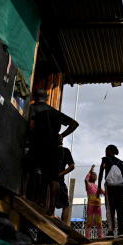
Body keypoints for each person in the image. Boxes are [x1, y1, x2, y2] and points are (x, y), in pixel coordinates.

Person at [25, 88, 79, 218]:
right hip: (55, 146)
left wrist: (32, 140)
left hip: (39, 144)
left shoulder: (34, 108)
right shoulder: (55, 112)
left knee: (27, 168)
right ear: (47, 98)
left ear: (33, 96)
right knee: (53, 179)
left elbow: (31, 127)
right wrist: (62, 135)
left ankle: (22, 194)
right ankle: (51, 212)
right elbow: (74, 123)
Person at [97, 145, 123, 238]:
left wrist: (99, 187)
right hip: (120, 187)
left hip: (110, 187)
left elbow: (101, 173)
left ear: (109, 151)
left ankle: (110, 232)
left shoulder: (105, 160)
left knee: (110, 208)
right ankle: (121, 232)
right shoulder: (120, 162)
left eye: (106, 150)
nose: (105, 152)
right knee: (121, 209)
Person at [84, 165, 105, 238]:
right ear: (89, 177)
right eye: (93, 174)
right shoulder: (88, 184)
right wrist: (91, 170)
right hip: (90, 205)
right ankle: (87, 237)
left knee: (99, 222)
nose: (95, 175)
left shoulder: (98, 186)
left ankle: (100, 237)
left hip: (98, 205)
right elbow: (86, 179)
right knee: (88, 222)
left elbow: (104, 193)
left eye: (95, 175)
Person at [56, 145, 75, 223]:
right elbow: (72, 166)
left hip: (46, 180)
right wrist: (60, 174)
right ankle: (63, 226)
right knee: (65, 205)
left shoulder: (47, 148)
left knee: (46, 204)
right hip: (59, 182)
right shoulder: (64, 150)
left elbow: (72, 166)